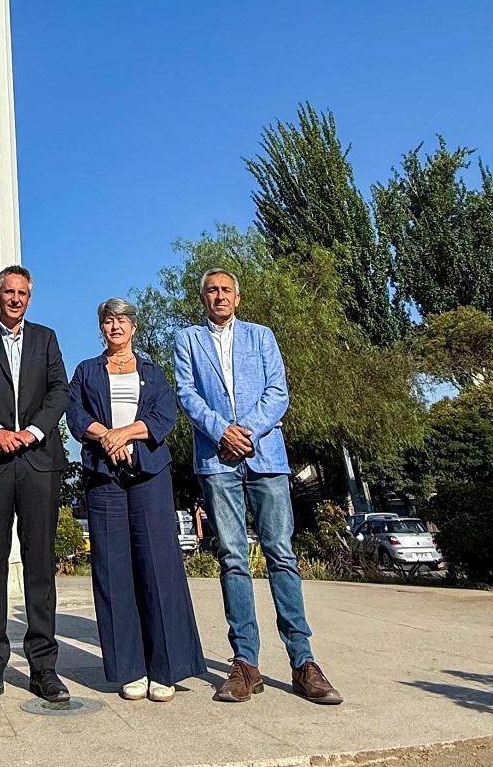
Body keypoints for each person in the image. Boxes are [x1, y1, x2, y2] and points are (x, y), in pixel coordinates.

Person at [173, 268, 343, 706]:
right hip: (216, 459)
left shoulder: (261, 337)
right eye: (211, 290)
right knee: (232, 557)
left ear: (238, 297)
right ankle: (245, 664)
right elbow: (188, 395)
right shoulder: (187, 340)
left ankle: (303, 662)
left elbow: (278, 392)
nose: (219, 296)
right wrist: (221, 431)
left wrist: (243, 431)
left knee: (281, 554)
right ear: (203, 297)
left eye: (225, 290)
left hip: (265, 456)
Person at [68, 298, 208, 702]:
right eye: (108, 321)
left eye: (122, 321)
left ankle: (165, 668)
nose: (115, 327)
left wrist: (125, 434)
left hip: (149, 475)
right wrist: (105, 436)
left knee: (158, 567)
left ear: (133, 328)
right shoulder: (86, 371)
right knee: (113, 570)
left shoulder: (152, 371)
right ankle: (129, 668)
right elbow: (75, 415)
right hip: (103, 477)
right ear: (101, 328)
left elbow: (166, 415)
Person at [0, 265, 70, 707]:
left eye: (22, 292)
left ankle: (44, 668)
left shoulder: (46, 338)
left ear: (30, 297)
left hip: (39, 463)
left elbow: (59, 391)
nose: (15, 299)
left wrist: (34, 431)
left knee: (40, 566)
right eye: (8, 291)